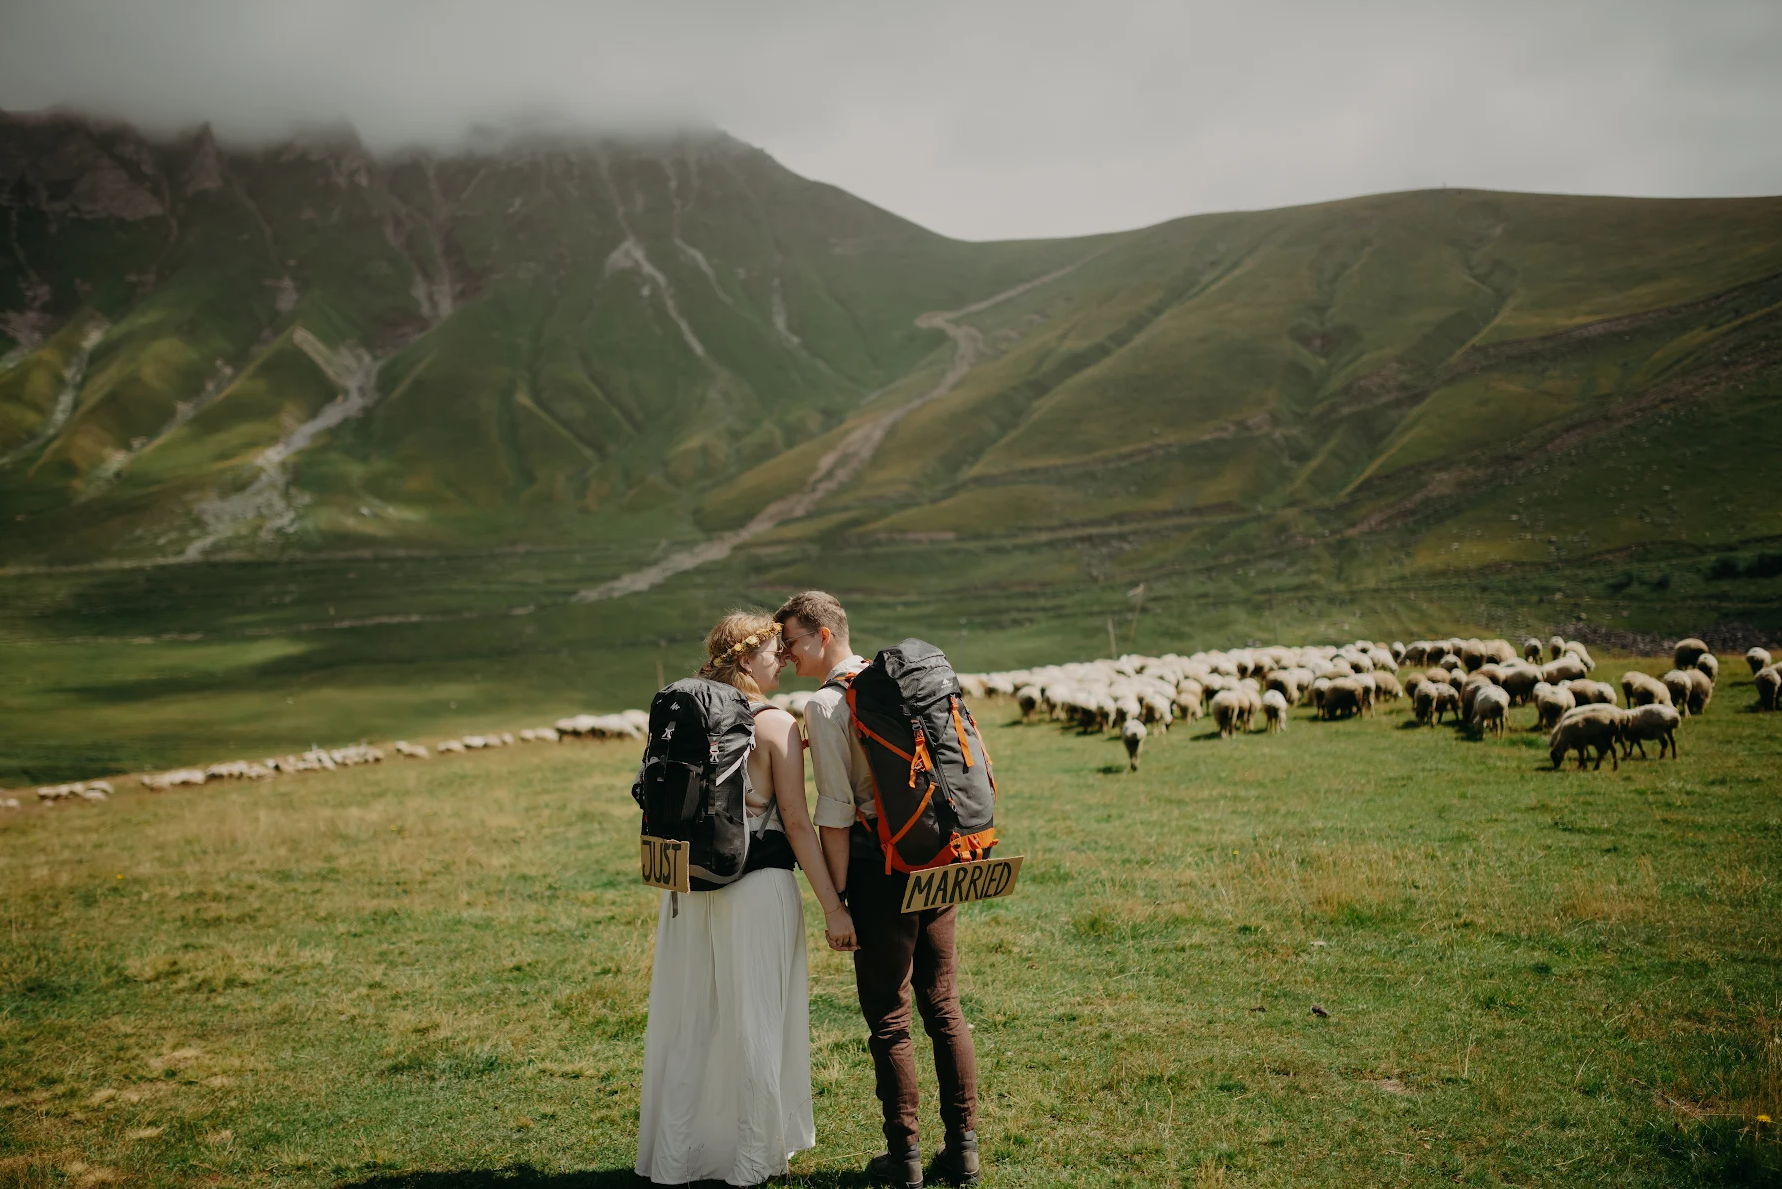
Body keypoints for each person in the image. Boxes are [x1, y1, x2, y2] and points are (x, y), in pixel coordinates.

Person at [636, 611, 859, 1188]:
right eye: (772, 651)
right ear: (744, 658)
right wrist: (833, 906)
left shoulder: (690, 714)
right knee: (756, 1021)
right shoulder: (775, 723)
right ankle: (755, 1158)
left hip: (690, 885)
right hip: (757, 887)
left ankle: (678, 1158)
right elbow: (797, 823)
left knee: (692, 1022)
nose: (781, 659)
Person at [775, 590, 982, 1189]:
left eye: (791, 641)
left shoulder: (825, 705)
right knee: (944, 1005)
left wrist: (838, 902)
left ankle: (904, 1157)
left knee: (890, 1019)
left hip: (878, 870)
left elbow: (835, 813)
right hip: (935, 855)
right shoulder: (897, 683)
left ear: (822, 634)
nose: (786, 655)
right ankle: (964, 1149)